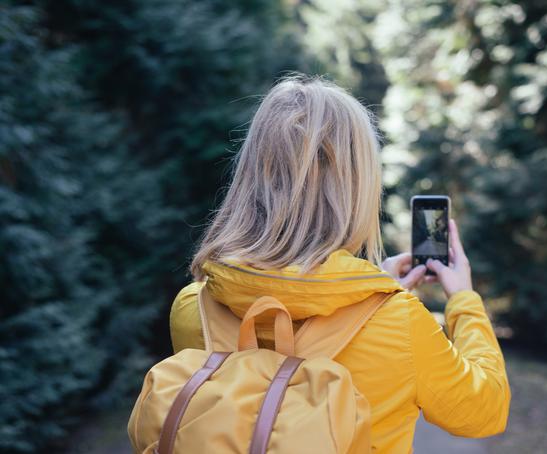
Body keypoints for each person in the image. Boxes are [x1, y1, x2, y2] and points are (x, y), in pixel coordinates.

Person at [169, 74, 510, 453]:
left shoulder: (193, 307)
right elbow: (485, 410)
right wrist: (463, 298)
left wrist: (365, 289)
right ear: (358, 187)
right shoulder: (399, 323)